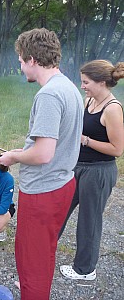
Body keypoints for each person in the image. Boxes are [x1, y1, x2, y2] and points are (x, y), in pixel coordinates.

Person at [0, 28, 84, 300]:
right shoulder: (69, 87)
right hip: (62, 184)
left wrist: (13, 155)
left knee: (31, 263)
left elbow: (43, 153)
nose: (20, 66)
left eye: (21, 60)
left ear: (33, 59)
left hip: (43, 193)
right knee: (44, 253)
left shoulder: (48, 95)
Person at [59, 60, 124, 280]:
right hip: (77, 167)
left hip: (98, 172)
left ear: (102, 82)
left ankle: (85, 270)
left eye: (86, 82)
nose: (83, 86)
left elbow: (117, 149)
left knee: (89, 220)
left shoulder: (112, 108)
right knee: (60, 209)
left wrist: (85, 140)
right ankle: (45, 249)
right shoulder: (89, 100)